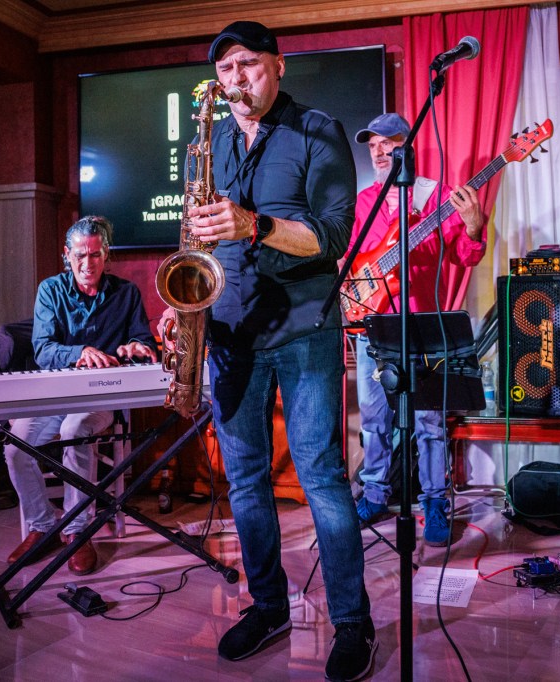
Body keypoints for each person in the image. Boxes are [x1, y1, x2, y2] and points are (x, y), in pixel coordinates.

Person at [159, 21, 375, 682]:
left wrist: (255, 224)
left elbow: (334, 236)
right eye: (225, 72)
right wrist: (180, 301)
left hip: (305, 327)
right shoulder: (214, 138)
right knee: (245, 480)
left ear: (277, 66)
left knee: (320, 477)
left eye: (247, 66)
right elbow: (199, 237)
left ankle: (352, 622)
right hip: (227, 331)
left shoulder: (317, 130)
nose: (235, 82)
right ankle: (269, 605)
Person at [346, 113, 485, 546]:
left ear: (407, 145)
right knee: (373, 417)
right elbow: (351, 258)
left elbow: (465, 255)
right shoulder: (364, 200)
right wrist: (354, 297)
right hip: (374, 325)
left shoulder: (435, 197)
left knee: (429, 421)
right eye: (372, 146)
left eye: (387, 143)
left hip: (423, 325)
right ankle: (373, 494)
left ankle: (435, 503)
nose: (379, 151)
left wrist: (475, 226)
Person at [4, 216, 156, 575]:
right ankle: (43, 528)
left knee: (75, 431)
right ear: (66, 256)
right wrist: (80, 352)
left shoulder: (126, 293)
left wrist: (136, 347)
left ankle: (77, 532)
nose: (87, 264)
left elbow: (145, 343)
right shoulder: (50, 290)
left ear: (106, 255)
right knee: (14, 448)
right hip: (55, 391)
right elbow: (43, 351)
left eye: (94, 255)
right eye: (79, 256)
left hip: (102, 394)